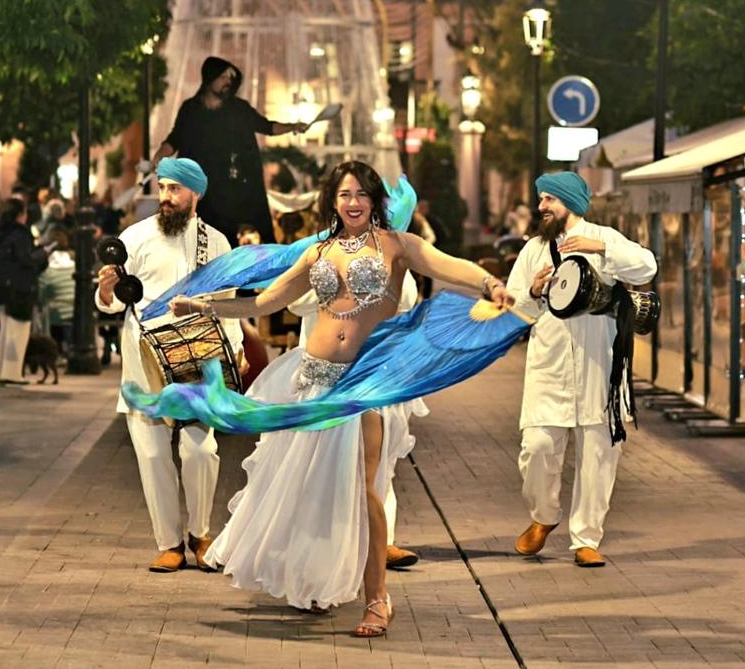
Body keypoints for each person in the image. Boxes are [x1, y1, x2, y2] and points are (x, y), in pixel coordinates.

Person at [169, 160, 516, 637]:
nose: (353, 203)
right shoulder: (318, 252)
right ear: (332, 201)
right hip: (312, 379)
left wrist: (490, 284)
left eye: (362, 194)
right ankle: (315, 580)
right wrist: (202, 304)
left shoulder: (396, 245)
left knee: (366, 490)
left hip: (364, 384)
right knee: (312, 487)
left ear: (375, 200)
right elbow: (265, 302)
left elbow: (448, 265)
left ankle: (378, 599)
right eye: (344, 194)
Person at [96, 158, 245, 574]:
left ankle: (200, 533)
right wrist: (105, 292)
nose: (165, 196)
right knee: (151, 454)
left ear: (195, 194)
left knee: (201, 451)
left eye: (175, 189)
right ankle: (169, 543)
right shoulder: (135, 237)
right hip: (144, 362)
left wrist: (234, 347)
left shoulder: (216, 243)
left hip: (198, 361)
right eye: (162, 187)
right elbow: (111, 303)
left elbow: (228, 303)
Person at [504, 171, 657, 568]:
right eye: (541, 198)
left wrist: (601, 248)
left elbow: (646, 268)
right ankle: (543, 515)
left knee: (599, 456)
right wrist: (533, 292)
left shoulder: (604, 238)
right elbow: (514, 307)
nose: (541, 206)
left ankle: (586, 538)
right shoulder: (534, 250)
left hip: (599, 367)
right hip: (549, 366)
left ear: (570, 202)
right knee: (536, 447)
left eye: (549, 199)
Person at [288, 271, 427, 571]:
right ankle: (324, 545)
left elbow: (407, 299)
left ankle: (381, 542)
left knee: (381, 463)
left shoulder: (391, 256)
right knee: (324, 465)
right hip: (325, 378)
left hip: (377, 374)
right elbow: (294, 303)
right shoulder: (318, 254)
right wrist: (343, 287)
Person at [155, 56, 309, 247]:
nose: (228, 82)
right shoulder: (191, 109)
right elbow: (175, 139)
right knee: (197, 238)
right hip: (201, 187)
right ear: (210, 78)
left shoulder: (238, 109)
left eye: (230, 78)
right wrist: (158, 158)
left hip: (232, 186)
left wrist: (293, 127)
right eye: (223, 77)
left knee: (232, 238)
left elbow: (266, 126)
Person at [0, 197, 47, 385]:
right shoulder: (21, 235)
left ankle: (0, 371)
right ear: (20, 215)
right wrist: (42, 255)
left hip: (2, 287)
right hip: (20, 289)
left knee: (5, 330)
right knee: (18, 331)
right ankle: (12, 373)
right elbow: (27, 261)